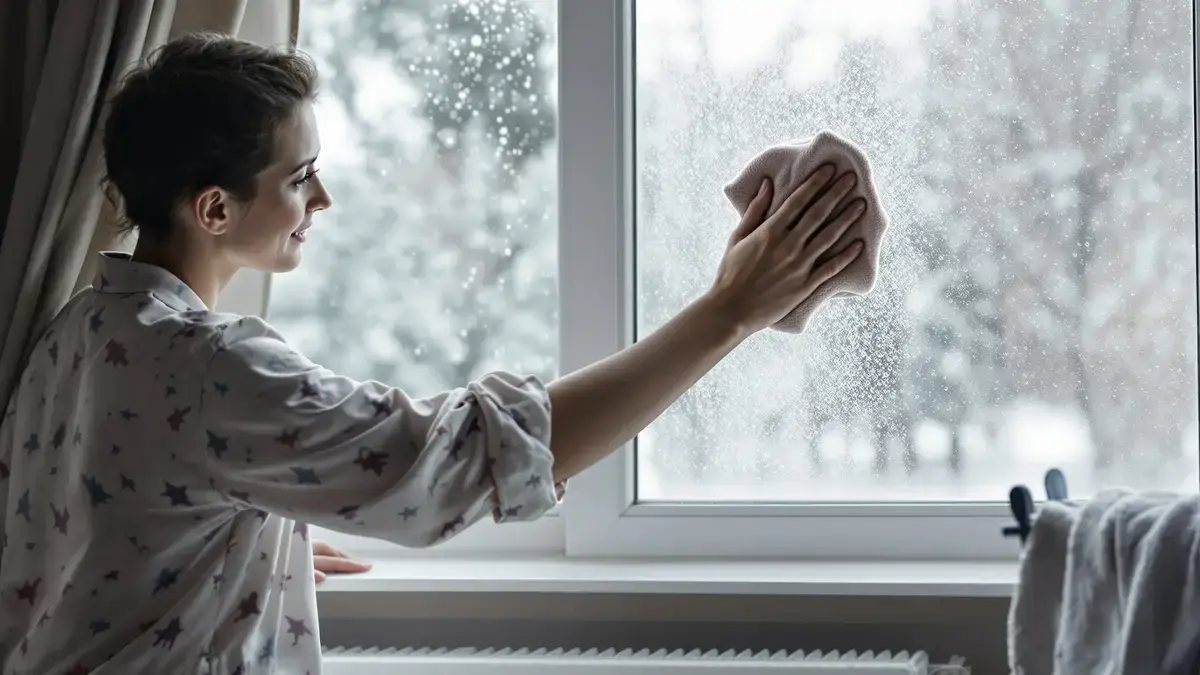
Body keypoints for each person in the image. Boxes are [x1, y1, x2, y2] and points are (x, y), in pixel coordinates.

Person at [0, 33, 866, 675]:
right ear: (215, 209)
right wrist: (727, 312)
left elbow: (103, 529)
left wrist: (249, 537)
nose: (322, 198)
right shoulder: (206, 366)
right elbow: (453, 460)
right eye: (299, 177)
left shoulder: (77, 333)